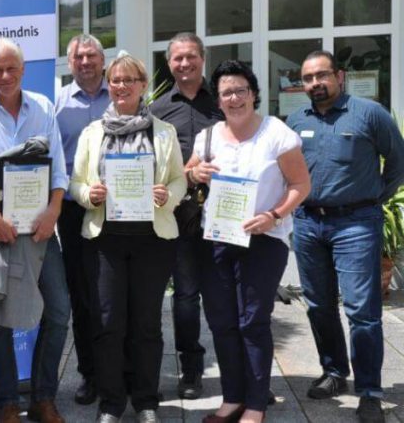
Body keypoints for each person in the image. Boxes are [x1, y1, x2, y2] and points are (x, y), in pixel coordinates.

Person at [186, 60, 310, 423]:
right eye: (226, 92)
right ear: (218, 100)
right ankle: (232, 398)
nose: (234, 98)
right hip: (218, 239)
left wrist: (274, 214)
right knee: (222, 321)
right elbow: (186, 174)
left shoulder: (276, 133)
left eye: (241, 90)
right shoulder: (208, 137)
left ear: (253, 93)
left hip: (264, 239)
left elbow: (301, 184)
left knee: (253, 322)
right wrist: (194, 172)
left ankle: (255, 406)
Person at [0, 38, 70, 423]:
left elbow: (58, 167)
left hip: (40, 230)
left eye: (11, 68)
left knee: (58, 311)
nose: (4, 76)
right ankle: (7, 403)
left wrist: (54, 210)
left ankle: (43, 398)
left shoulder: (43, 106)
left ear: (23, 69)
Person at [287, 50, 404, 423]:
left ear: (340, 76)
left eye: (322, 75)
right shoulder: (295, 120)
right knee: (318, 305)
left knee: (361, 311)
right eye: (308, 78)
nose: (315, 83)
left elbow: (398, 162)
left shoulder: (369, 113)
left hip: (356, 224)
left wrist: (373, 199)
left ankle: (369, 391)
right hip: (308, 223)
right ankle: (334, 371)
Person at [70, 52, 186, 423]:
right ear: (109, 85)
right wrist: (90, 195)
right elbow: (76, 183)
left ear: (143, 86)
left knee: (146, 324)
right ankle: (111, 403)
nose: (122, 86)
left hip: (152, 240)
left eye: (129, 80)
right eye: (116, 80)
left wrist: (168, 195)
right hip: (106, 241)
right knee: (108, 324)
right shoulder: (93, 133)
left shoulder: (163, 132)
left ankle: (146, 401)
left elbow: (179, 179)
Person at [149, 32, 223, 399]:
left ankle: (241, 369)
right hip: (180, 215)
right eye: (177, 58)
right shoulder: (157, 110)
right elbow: (150, 165)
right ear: (169, 63)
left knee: (228, 295)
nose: (184, 63)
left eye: (191, 56)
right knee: (186, 295)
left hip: (224, 213)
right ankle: (191, 369)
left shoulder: (224, 102)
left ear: (202, 58)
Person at [54, 34, 110, 405]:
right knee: (82, 292)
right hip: (75, 209)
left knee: (117, 291)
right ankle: (90, 373)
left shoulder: (121, 95)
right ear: (70, 62)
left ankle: (121, 371)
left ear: (102, 61)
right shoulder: (57, 104)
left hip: (118, 208)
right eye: (78, 57)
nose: (85, 62)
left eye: (91, 56)